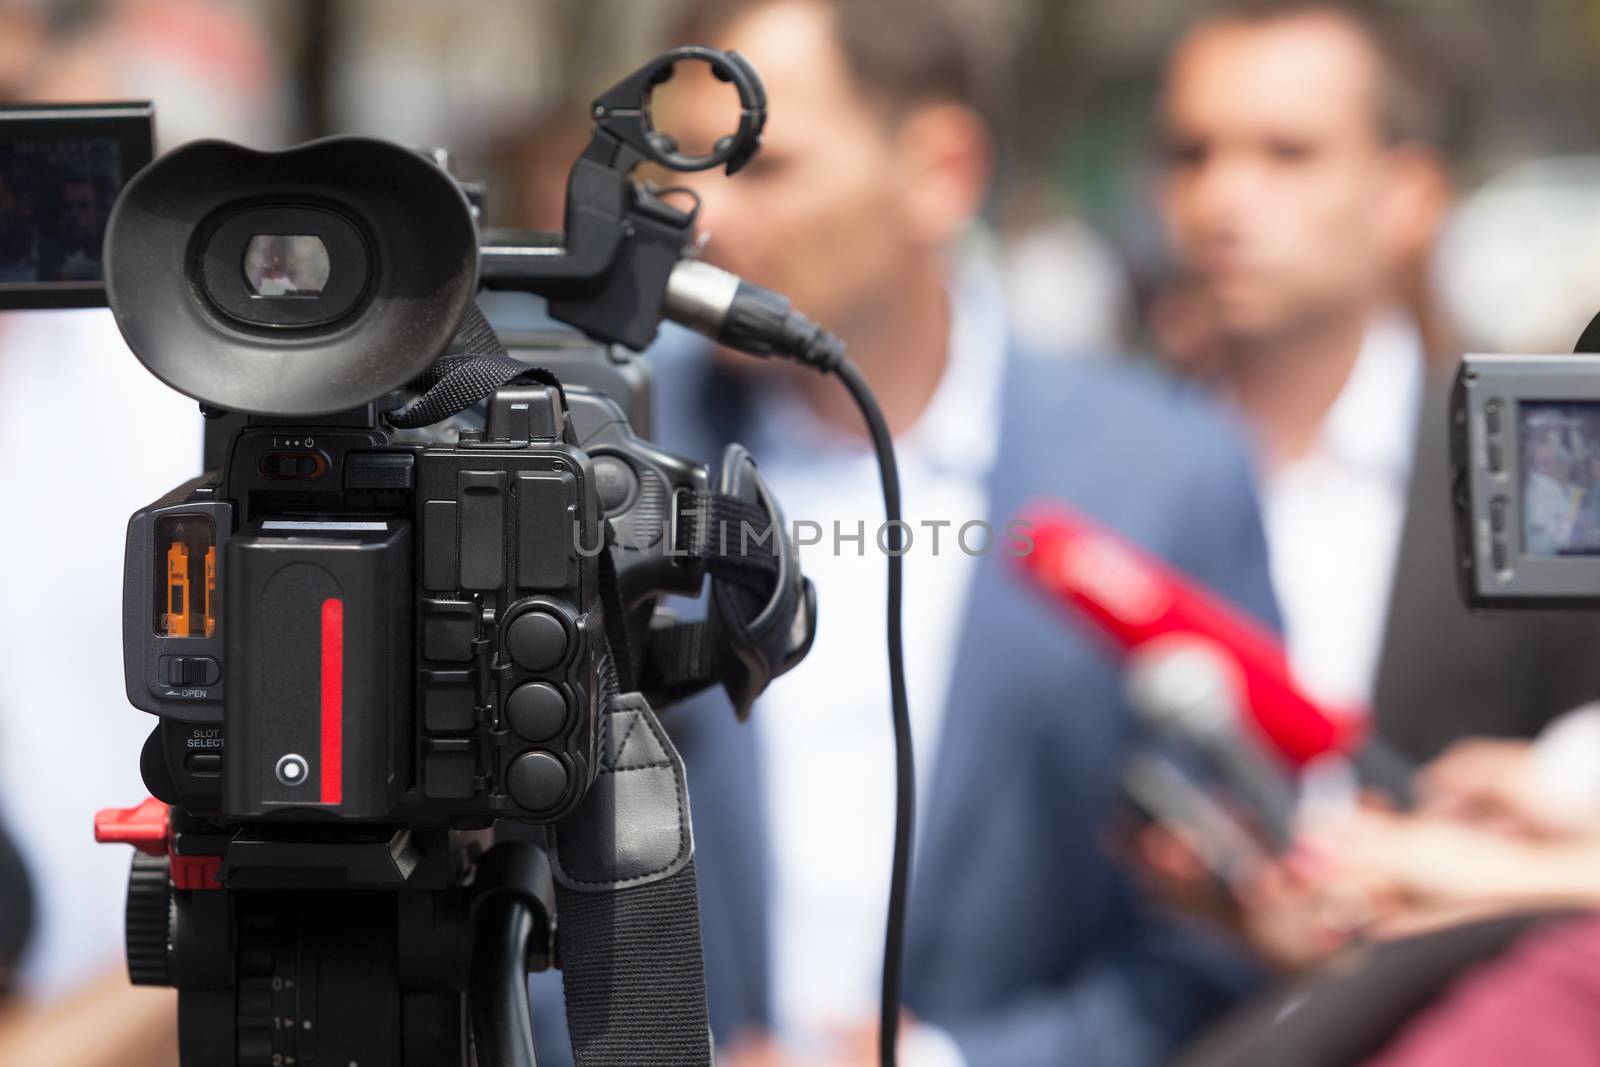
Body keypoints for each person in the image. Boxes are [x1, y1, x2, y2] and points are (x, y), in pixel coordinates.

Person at [527, 1, 1282, 1065]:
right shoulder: (600, 458)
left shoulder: (1164, 473)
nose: (708, 220)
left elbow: (1222, 934)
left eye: (768, 163)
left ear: (940, 169)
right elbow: (493, 898)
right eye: (681, 173)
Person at [1153, 0, 1600, 765]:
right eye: (1193, 153)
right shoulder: (1107, 463)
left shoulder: (1548, 463)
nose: (1221, 199)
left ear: (1408, 195)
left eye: (1288, 153)